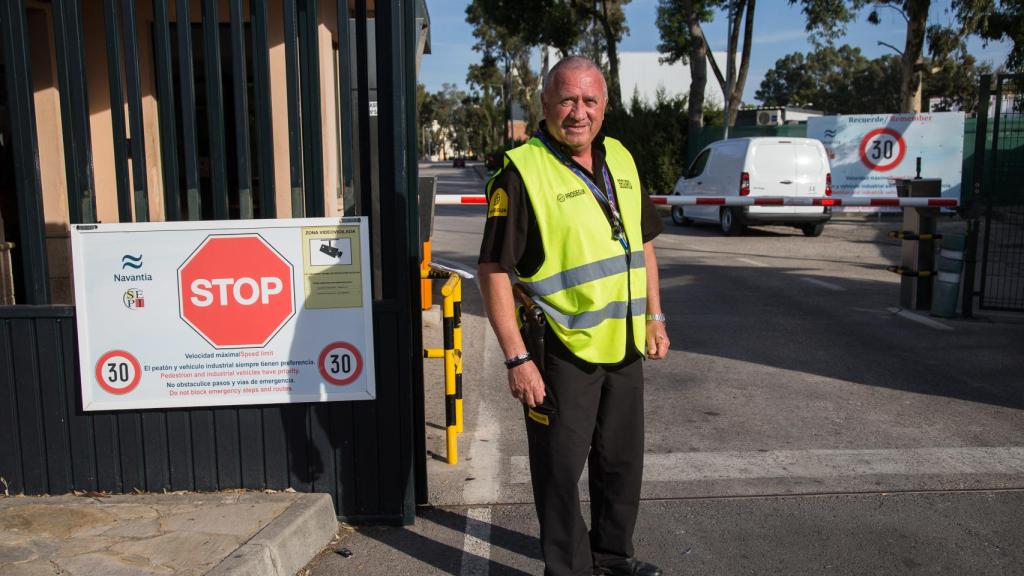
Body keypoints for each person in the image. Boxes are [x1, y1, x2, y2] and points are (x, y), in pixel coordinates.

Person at [477, 56, 670, 576]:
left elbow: (643, 245)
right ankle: (568, 569)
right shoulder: (521, 173)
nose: (578, 112)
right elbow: (493, 270)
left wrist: (656, 316)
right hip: (560, 349)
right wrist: (517, 358)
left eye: (589, 100)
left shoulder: (622, 160)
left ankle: (610, 559)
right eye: (567, 99)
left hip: (624, 345)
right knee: (560, 473)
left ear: (605, 106)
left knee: (620, 463)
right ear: (545, 105)